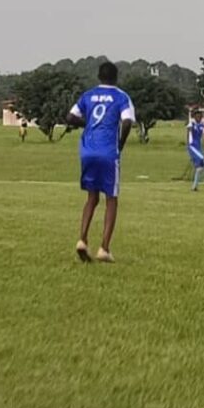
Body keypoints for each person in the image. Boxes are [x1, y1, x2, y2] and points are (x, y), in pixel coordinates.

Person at [65, 61, 135, 264]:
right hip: (107, 152)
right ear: (116, 77)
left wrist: (87, 124)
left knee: (92, 197)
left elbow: (70, 117)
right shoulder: (121, 96)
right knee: (111, 198)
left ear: (99, 76)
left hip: (87, 151)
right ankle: (104, 248)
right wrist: (120, 144)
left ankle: (82, 239)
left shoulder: (88, 95)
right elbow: (127, 121)